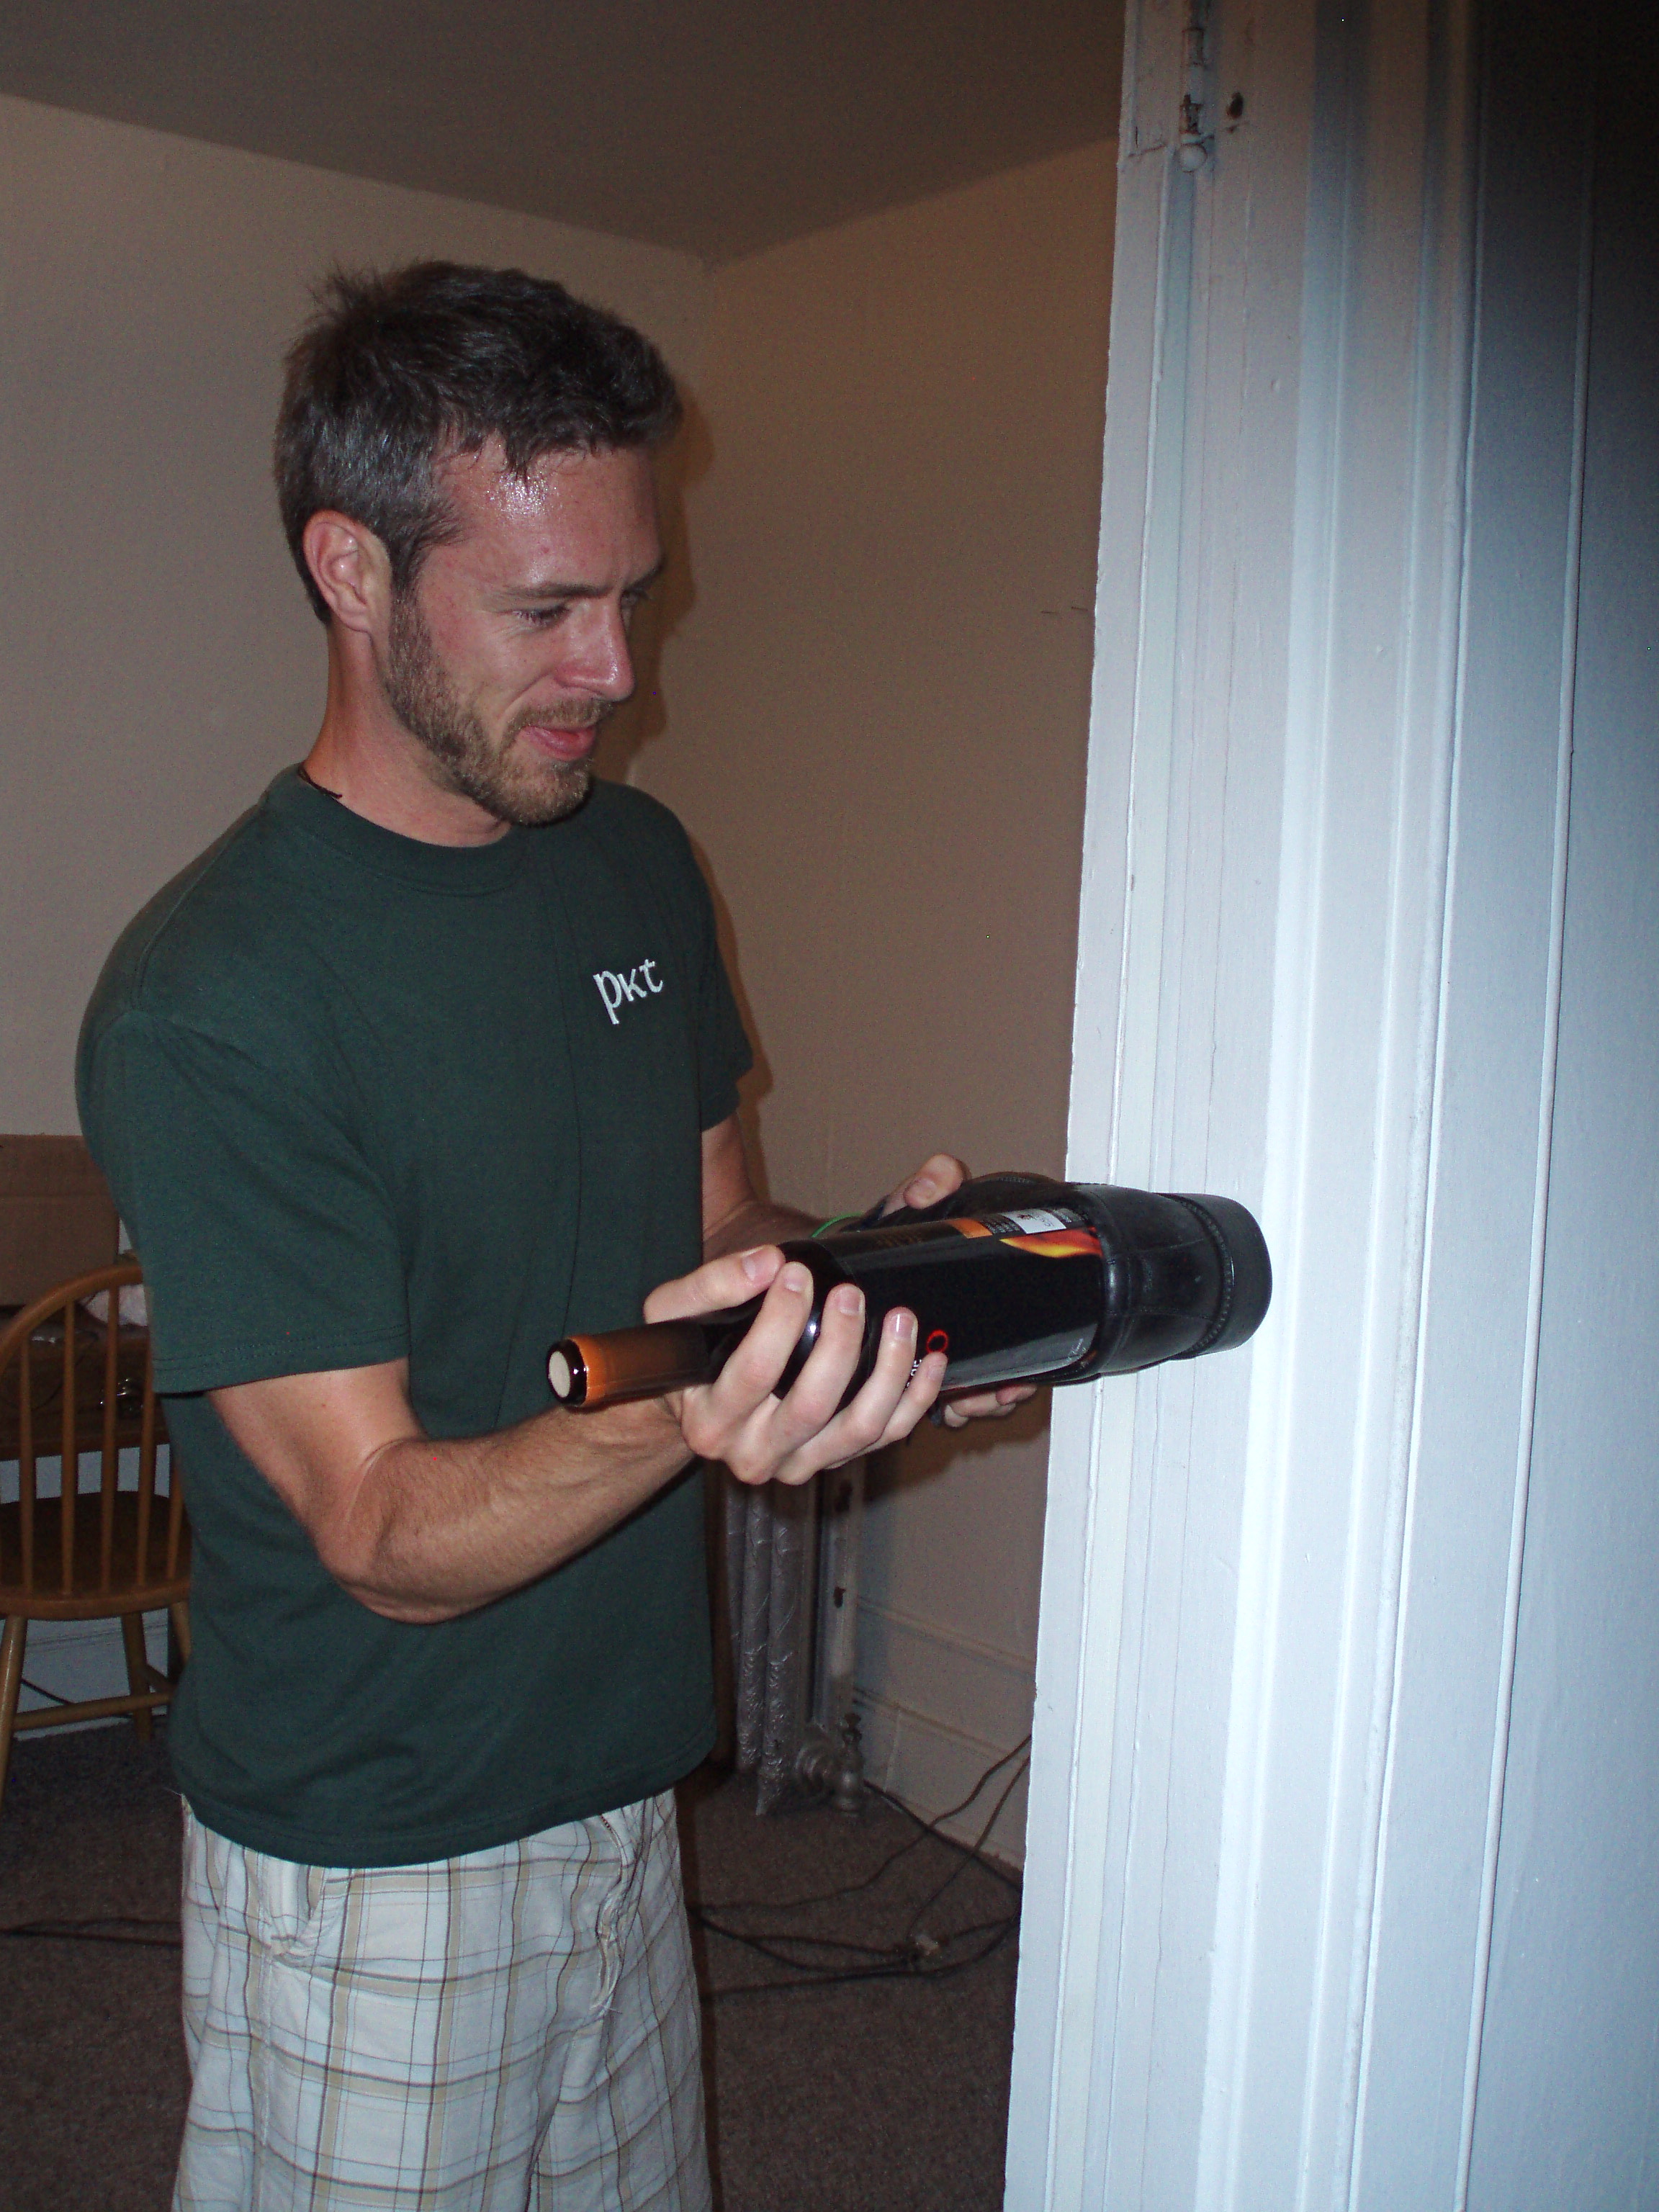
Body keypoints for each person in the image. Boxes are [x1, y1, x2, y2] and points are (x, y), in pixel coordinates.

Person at [77, 262, 1029, 2212]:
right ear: (351, 570)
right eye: (546, 610)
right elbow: (383, 1534)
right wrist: (700, 1397)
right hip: (378, 1844)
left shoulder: (638, 862)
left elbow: (721, 1221)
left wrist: (878, 1293)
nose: (618, 670)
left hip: (622, 1783)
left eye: (632, 597)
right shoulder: (213, 1000)